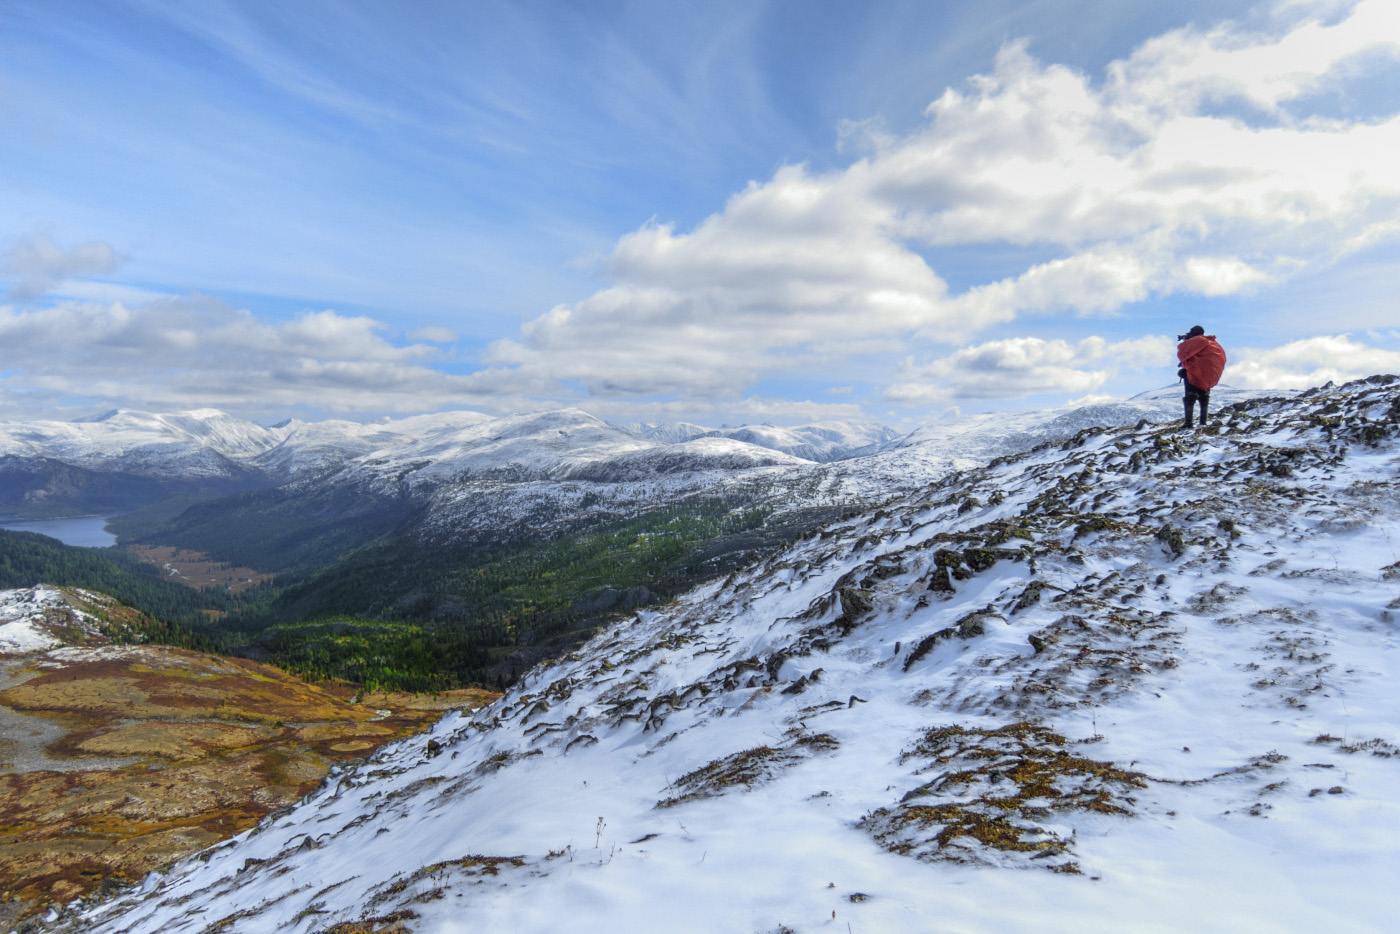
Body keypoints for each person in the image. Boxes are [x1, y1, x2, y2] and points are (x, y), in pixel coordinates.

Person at [1176, 325, 1226, 428]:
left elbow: (1183, 354)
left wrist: (1186, 341)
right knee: (1204, 397)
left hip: (1196, 374)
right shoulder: (1213, 343)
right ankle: (1203, 423)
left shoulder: (1197, 341)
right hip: (1208, 376)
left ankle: (1188, 423)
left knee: (1190, 397)